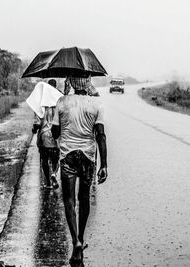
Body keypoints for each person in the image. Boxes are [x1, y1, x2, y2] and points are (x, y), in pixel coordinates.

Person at [52, 75, 108, 263]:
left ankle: (75, 240)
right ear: (88, 83)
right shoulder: (96, 104)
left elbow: (55, 133)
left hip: (67, 156)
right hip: (88, 157)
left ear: (72, 83)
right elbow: (100, 135)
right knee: (84, 199)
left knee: (69, 200)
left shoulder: (62, 101)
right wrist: (104, 165)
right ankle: (81, 238)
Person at [32, 79, 60, 189]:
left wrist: (34, 129)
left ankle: (48, 182)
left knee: (44, 159)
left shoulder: (40, 104)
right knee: (56, 159)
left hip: (43, 136)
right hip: (55, 135)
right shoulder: (59, 102)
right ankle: (54, 174)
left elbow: (37, 123)